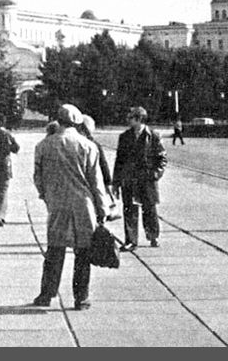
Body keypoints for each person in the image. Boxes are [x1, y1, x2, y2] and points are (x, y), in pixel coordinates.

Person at [32, 104, 110, 309]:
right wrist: (103, 209)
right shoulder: (87, 146)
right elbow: (96, 182)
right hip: (83, 205)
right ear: (77, 122)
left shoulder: (43, 145)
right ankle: (81, 297)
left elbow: (37, 178)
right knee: (83, 253)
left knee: (54, 251)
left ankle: (46, 295)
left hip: (57, 204)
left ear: (58, 120)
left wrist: (47, 196)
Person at [113, 106, 167, 251]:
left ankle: (153, 236)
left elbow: (162, 158)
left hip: (147, 179)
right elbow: (119, 161)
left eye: (130, 117)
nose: (127, 120)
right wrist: (116, 182)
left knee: (149, 209)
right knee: (129, 209)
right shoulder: (124, 137)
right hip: (129, 179)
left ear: (138, 119)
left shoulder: (153, 136)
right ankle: (131, 241)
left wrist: (155, 174)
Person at [76, 115, 118, 219]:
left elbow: (103, 165)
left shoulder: (78, 143)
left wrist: (108, 182)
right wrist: (108, 183)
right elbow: (103, 165)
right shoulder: (94, 144)